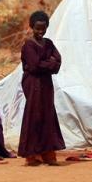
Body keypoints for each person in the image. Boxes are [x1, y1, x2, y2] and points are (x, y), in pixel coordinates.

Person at [18, 10, 65, 166]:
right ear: (32, 27)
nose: (40, 31)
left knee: (48, 115)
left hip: (45, 84)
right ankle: (32, 154)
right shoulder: (28, 44)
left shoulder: (49, 43)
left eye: (43, 28)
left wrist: (46, 63)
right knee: (34, 115)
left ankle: (48, 153)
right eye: (37, 28)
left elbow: (58, 61)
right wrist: (48, 63)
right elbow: (34, 65)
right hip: (33, 84)